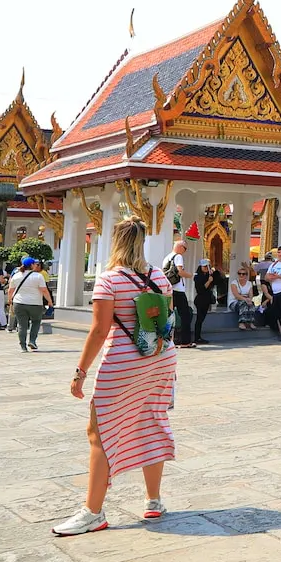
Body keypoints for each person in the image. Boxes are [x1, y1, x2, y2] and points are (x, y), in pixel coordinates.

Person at [53, 218, 177, 537]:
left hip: (125, 362)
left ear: (115, 242)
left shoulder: (109, 280)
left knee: (100, 431)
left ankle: (92, 512)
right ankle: (154, 500)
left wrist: (80, 373)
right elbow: (166, 318)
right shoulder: (160, 277)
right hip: (161, 357)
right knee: (151, 420)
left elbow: (99, 329)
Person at [9, 257, 51, 351]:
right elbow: (44, 290)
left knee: (22, 325)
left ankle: (23, 346)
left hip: (19, 303)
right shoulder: (38, 276)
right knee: (36, 322)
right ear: (32, 265)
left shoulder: (16, 276)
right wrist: (50, 301)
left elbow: (10, 290)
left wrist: (10, 301)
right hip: (35, 303)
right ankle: (32, 340)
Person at [191, 261, 216, 346]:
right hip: (200, 299)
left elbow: (218, 281)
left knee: (201, 319)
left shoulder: (209, 275)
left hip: (207, 299)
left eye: (207, 266)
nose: (206, 268)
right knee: (199, 319)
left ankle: (198, 337)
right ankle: (196, 338)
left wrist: (213, 274)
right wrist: (208, 281)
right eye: (204, 266)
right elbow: (200, 289)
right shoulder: (198, 276)